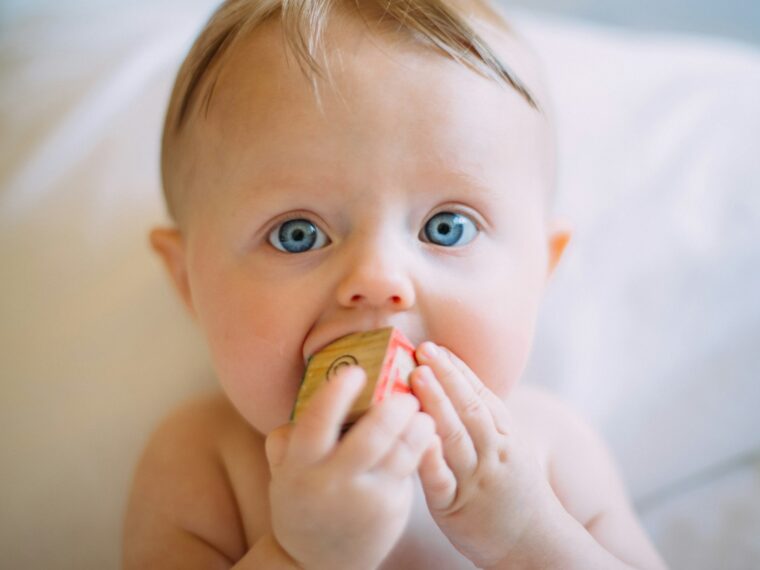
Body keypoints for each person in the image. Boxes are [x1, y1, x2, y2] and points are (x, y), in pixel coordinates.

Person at [123, 0, 667, 567]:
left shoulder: (551, 451)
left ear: (540, 273)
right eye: (298, 234)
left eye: (446, 227)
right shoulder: (203, 462)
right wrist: (301, 555)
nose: (379, 280)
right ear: (190, 284)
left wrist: (526, 534)